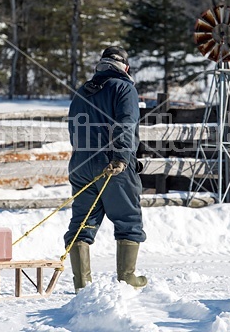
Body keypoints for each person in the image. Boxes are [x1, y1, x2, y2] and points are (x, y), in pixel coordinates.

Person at [64, 46, 147, 293]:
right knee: (128, 219)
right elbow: (126, 124)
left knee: (82, 222)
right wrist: (121, 157)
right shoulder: (124, 88)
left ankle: (82, 285)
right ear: (126, 68)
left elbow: (73, 129)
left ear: (100, 65)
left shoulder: (81, 91)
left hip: (80, 164)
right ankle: (127, 279)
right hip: (113, 164)